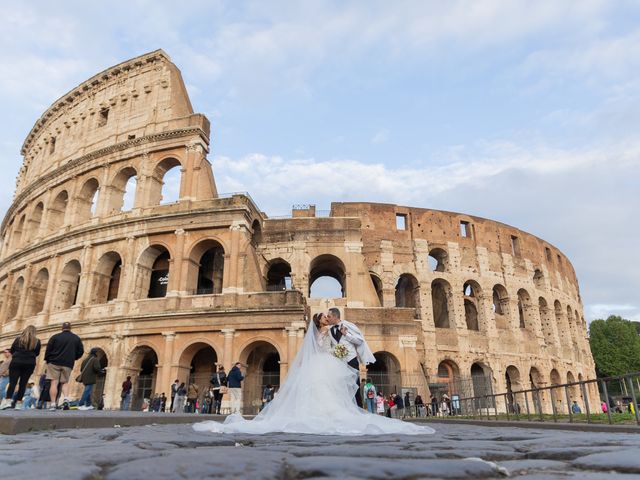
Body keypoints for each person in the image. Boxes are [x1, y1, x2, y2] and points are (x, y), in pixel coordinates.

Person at [193, 314, 434, 435]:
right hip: (324, 363)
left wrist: (338, 347)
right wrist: (336, 348)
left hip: (326, 363)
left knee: (326, 392)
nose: (326, 319)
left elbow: (333, 345)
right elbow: (325, 346)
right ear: (319, 322)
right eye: (323, 318)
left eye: (326, 317)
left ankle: (328, 415)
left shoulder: (330, 330)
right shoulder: (322, 333)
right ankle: (326, 416)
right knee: (323, 391)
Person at [325, 307, 376, 408]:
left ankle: (359, 410)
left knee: (354, 387)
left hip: (351, 361)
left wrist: (346, 334)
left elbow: (360, 340)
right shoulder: (330, 331)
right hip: (339, 363)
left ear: (335, 316)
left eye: (329, 316)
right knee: (342, 388)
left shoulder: (348, 325)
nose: (327, 318)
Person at [44, 322, 84, 410]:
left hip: (54, 362)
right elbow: (81, 351)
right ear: (70, 328)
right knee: (65, 383)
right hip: (67, 363)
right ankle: (66, 399)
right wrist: (74, 357)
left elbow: (48, 349)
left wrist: (47, 360)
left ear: (62, 328)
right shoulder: (76, 338)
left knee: (54, 383)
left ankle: (53, 404)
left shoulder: (55, 337)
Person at [2, 325, 41, 410]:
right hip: (29, 363)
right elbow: (37, 353)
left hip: (17, 361)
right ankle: (19, 403)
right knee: (23, 384)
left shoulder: (18, 339)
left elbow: (12, 350)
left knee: (13, 382)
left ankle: (8, 401)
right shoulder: (37, 341)